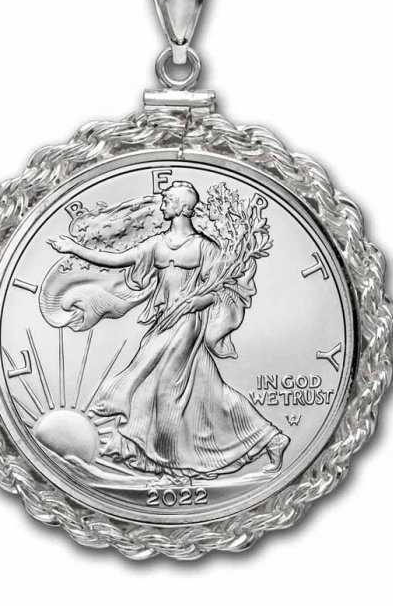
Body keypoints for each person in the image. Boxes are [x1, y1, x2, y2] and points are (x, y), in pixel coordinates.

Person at [50, 181, 289, 478]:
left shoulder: (204, 247)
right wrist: (73, 248)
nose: (162, 204)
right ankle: (270, 439)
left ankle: (171, 459)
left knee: (163, 387)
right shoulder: (157, 244)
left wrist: (199, 301)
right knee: (207, 391)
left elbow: (223, 289)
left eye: (167, 200)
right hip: (164, 321)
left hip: (188, 323)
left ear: (183, 208)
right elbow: (116, 261)